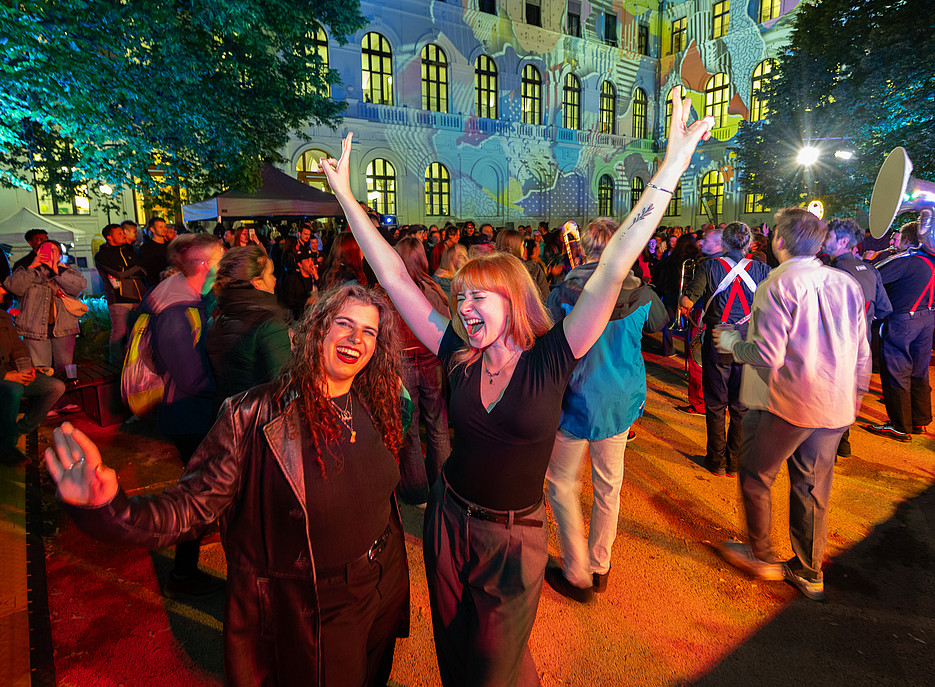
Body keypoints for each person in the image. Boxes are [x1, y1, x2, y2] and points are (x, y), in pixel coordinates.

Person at [319, 89, 713, 686]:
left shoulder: (554, 356)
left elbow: (614, 265)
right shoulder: (455, 353)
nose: (466, 306)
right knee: (457, 656)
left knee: (493, 666)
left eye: (481, 296)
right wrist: (347, 196)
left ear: (514, 300)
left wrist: (673, 163)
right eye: (462, 296)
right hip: (449, 522)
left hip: (514, 538)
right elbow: (394, 275)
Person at [45, 282, 411, 687]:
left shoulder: (374, 399)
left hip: (384, 579)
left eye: (369, 331)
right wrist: (111, 510)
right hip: (318, 603)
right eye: (343, 323)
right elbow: (191, 507)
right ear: (316, 329)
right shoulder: (253, 415)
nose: (355, 339)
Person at [715, 207, 870, 602]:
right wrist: (856, 394)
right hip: (836, 402)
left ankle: (761, 554)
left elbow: (766, 355)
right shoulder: (845, 283)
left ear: (779, 241)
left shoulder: (777, 284)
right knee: (813, 485)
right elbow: (862, 351)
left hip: (795, 403)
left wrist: (733, 344)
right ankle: (808, 569)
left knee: (755, 474)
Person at [543, 218, 666, 601]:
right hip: (619, 400)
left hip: (575, 397)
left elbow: (545, 330)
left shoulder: (565, 288)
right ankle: (599, 564)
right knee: (608, 486)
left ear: (587, 247)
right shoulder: (641, 293)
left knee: (561, 483)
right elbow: (661, 324)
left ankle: (576, 567)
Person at [143, 233, 224, 598]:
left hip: (191, 412)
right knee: (200, 493)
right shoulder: (175, 313)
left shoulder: (186, 294)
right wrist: (234, 388)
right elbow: (192, 379)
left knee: (204, 488)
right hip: (187, 414)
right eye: (221, 257)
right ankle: (183, 574)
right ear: (204, 265)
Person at [680, 223, 770, 475]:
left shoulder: (710, 267)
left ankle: (716, 461)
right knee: (741, 405)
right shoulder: (763, 269)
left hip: (721, 335)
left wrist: (683, 298)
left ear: (725, 243)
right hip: (748, 338)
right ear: (748, 243)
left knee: (716, 403)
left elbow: (688, 301)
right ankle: (734, 462)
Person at [822, 218, 892, 456]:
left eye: (828, 236)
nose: (824, 240)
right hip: (860, 342)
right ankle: (843, 441)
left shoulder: (830, 271)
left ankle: (831, 443)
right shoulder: (870, 270)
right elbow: (884, 309)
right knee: (847, 389)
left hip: (832, 342)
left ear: (843, 241)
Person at [390, 237, 451, 506]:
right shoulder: (433, 289)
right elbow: (447, 328)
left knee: (411, 430)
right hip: (430, 361)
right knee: (437, 426)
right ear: (422, 258)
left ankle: (417, 493)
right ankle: (442, 487)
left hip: (402, 362)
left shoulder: (389, 289)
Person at [867, 209, 935, 441]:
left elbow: (874, 277)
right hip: (927, 319)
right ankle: (919, 420)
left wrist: (868, 262)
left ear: (907, 240)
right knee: (919, 371)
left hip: (902, 320)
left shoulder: (908, 261)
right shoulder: (931, 261)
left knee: (896, 372)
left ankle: (900, 425)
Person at [206, 246, 291, 408]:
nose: (275, 279)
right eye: (270, 274)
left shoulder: (217, 318)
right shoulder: (269, 325)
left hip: (228, 416)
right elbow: (284, 386)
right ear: (257, 282)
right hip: (258, 419)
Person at [0, 281, 65, 465]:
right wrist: (6, 376)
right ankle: (6, 447)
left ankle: (17, 430)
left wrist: (26, 369)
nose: (4, 290)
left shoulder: (3, 317)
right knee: (13, 390)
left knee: (55, 387)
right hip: (4, 378)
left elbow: (18, 347)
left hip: (12, 374)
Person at [4, 239, 86, 372]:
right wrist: (33, 266)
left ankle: (69, 389)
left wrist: (56, 270)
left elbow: (77, 287)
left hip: (64, 327)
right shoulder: (26, 269)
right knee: (42, 370)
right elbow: (15, 288)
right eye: (44, 250)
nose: (49, 254)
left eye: (53, 251)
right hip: (34, 328)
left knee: (66, 367)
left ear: (59, 255)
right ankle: (49, 391)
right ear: (37, 252)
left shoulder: (68, 271)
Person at [95, 223, 147, 364]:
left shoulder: (130, 251)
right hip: (119, 298)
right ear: (109, 237)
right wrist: (132, 270)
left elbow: (143, 270)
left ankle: (136, 361)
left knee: (138, 331)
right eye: (119, 234)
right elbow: (119, 272)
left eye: (123, 233)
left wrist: (129, 272)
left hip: (139, 295)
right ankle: (116, 362)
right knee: (120, 331)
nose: (123, 236)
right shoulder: (103, 255)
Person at [495, 228, 549, 302]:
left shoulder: (490, 269)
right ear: (518, 246)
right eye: (524, 244)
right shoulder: (532, 268)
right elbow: (545, 298)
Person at [279, 245, 319, 320]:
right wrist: (306, 301)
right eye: (307, 261)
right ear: (300, 264)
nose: (311, 264)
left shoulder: (313, 277)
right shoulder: (292, 279)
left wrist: (316, 276)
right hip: (297, 318)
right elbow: (288, 301)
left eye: (311, 260)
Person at [140, 216, 170, 288]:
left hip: (171, 283)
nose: (164, 229)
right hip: (156, 285)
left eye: (164, 226)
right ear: (152, 229)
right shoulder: (146, 248)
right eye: (160, 227)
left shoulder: (170, 246)